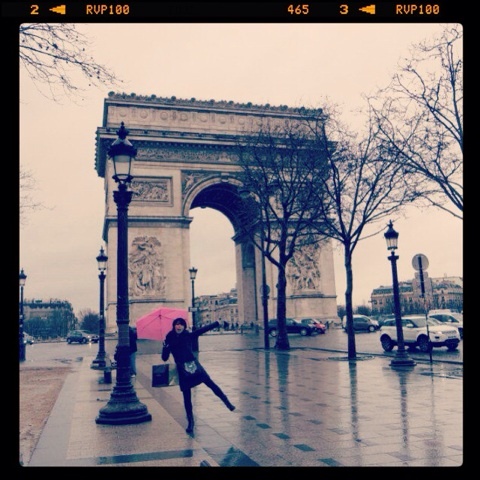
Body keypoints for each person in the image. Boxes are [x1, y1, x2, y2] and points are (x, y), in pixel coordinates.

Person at [161, 318, 235, 435]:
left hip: (193, 365)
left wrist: (216, 323)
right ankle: (190, 421)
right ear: (174, 326)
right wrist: (165, 346)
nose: (179, 326)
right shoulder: (169, 338)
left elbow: (202, 330)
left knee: (210, 383)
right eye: (177, 324)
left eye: (181, 325)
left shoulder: (188, 335)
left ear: (184, 326)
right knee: (186, 396)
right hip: (182, 369)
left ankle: (227, 402)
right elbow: (164, 358)